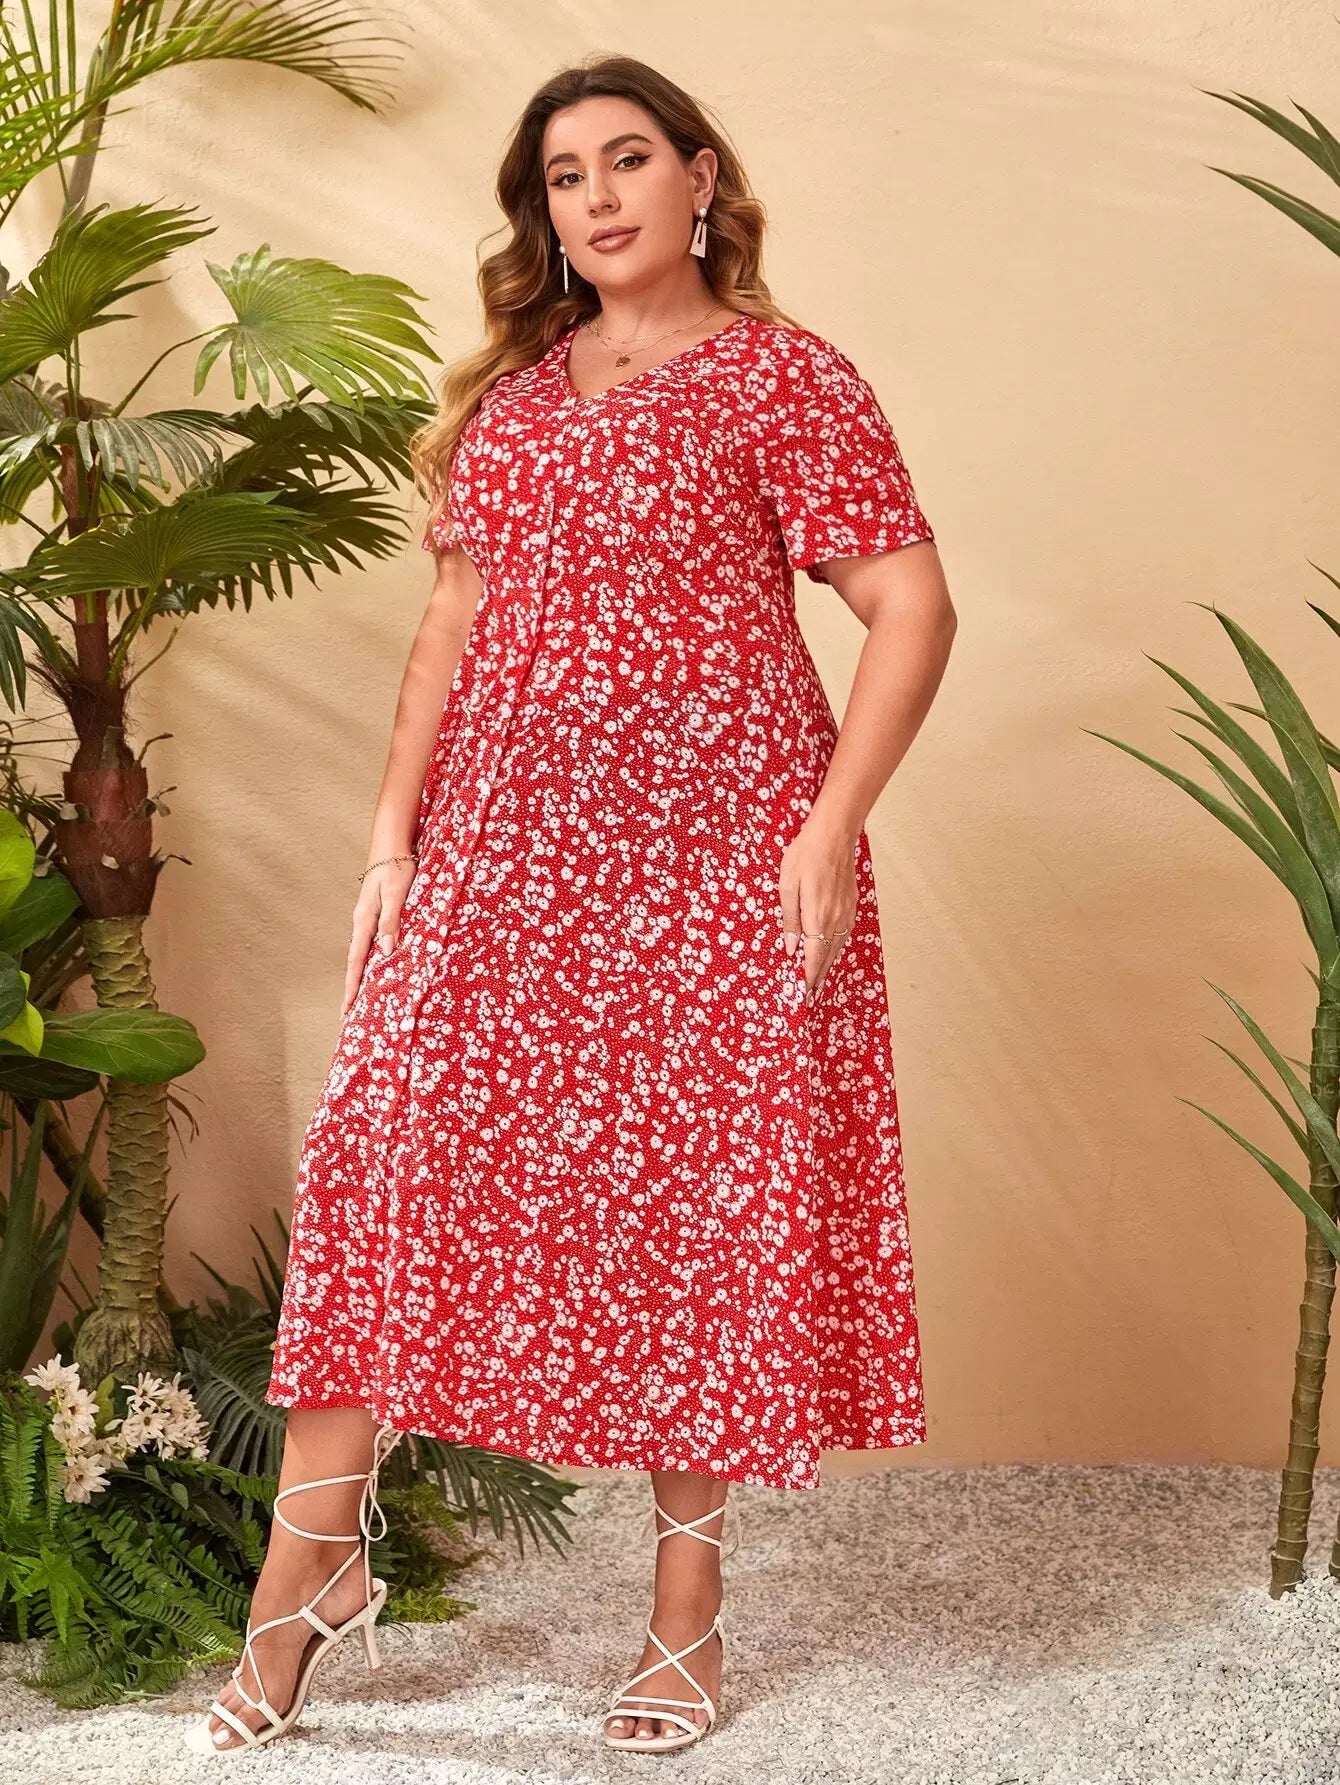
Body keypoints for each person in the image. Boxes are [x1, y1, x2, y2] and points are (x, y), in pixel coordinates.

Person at [185, 50, 956, 1760]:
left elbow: (911, 606)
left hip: (715, 859)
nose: (596, 197)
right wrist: (391, 843)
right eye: (563, 175)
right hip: (501, 854)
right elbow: (450, 628)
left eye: (628, 160)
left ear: (700, 177)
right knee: (386, 1168)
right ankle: (308, 1568)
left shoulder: (788, 380)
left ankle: (686, 1616)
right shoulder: (517, 401)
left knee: (697, 1207)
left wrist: (830, 827)